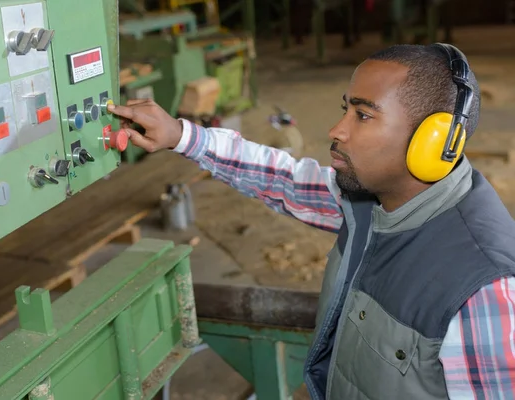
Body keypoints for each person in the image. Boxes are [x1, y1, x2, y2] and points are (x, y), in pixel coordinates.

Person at [107, 43, 515, 399]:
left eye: (363, 116)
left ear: (433, 142)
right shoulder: (374, 203)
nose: (337, 129)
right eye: (345, 109)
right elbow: (283, 179)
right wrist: (181, 135)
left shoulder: (484, 287)